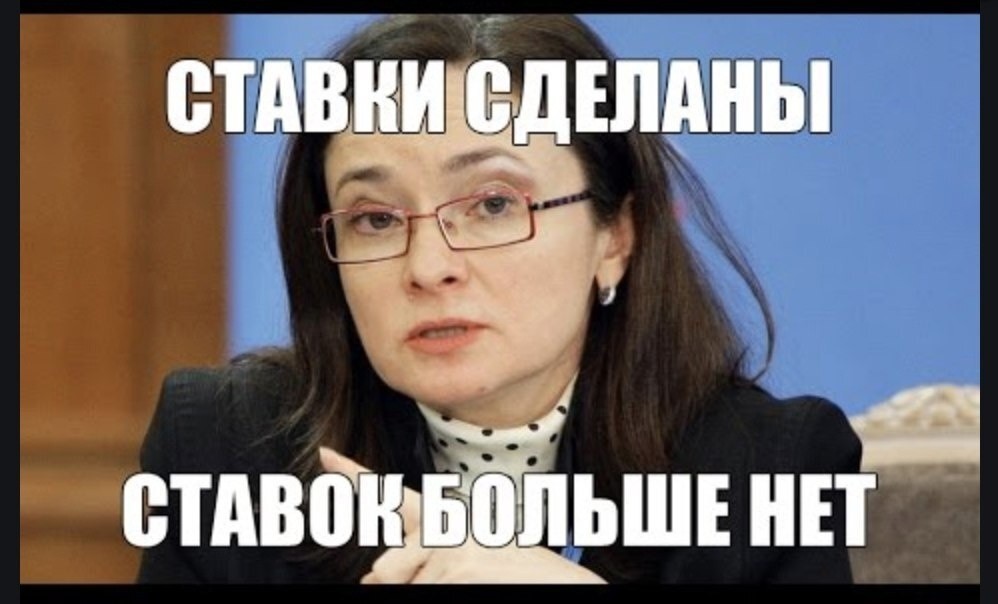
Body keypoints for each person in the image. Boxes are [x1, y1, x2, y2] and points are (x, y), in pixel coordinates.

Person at [137, 14, 862, 584]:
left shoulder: (765, 473)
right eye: (376, 219)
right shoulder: (225, 450)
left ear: (616, 236)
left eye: (492, 205)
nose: (429, 267)